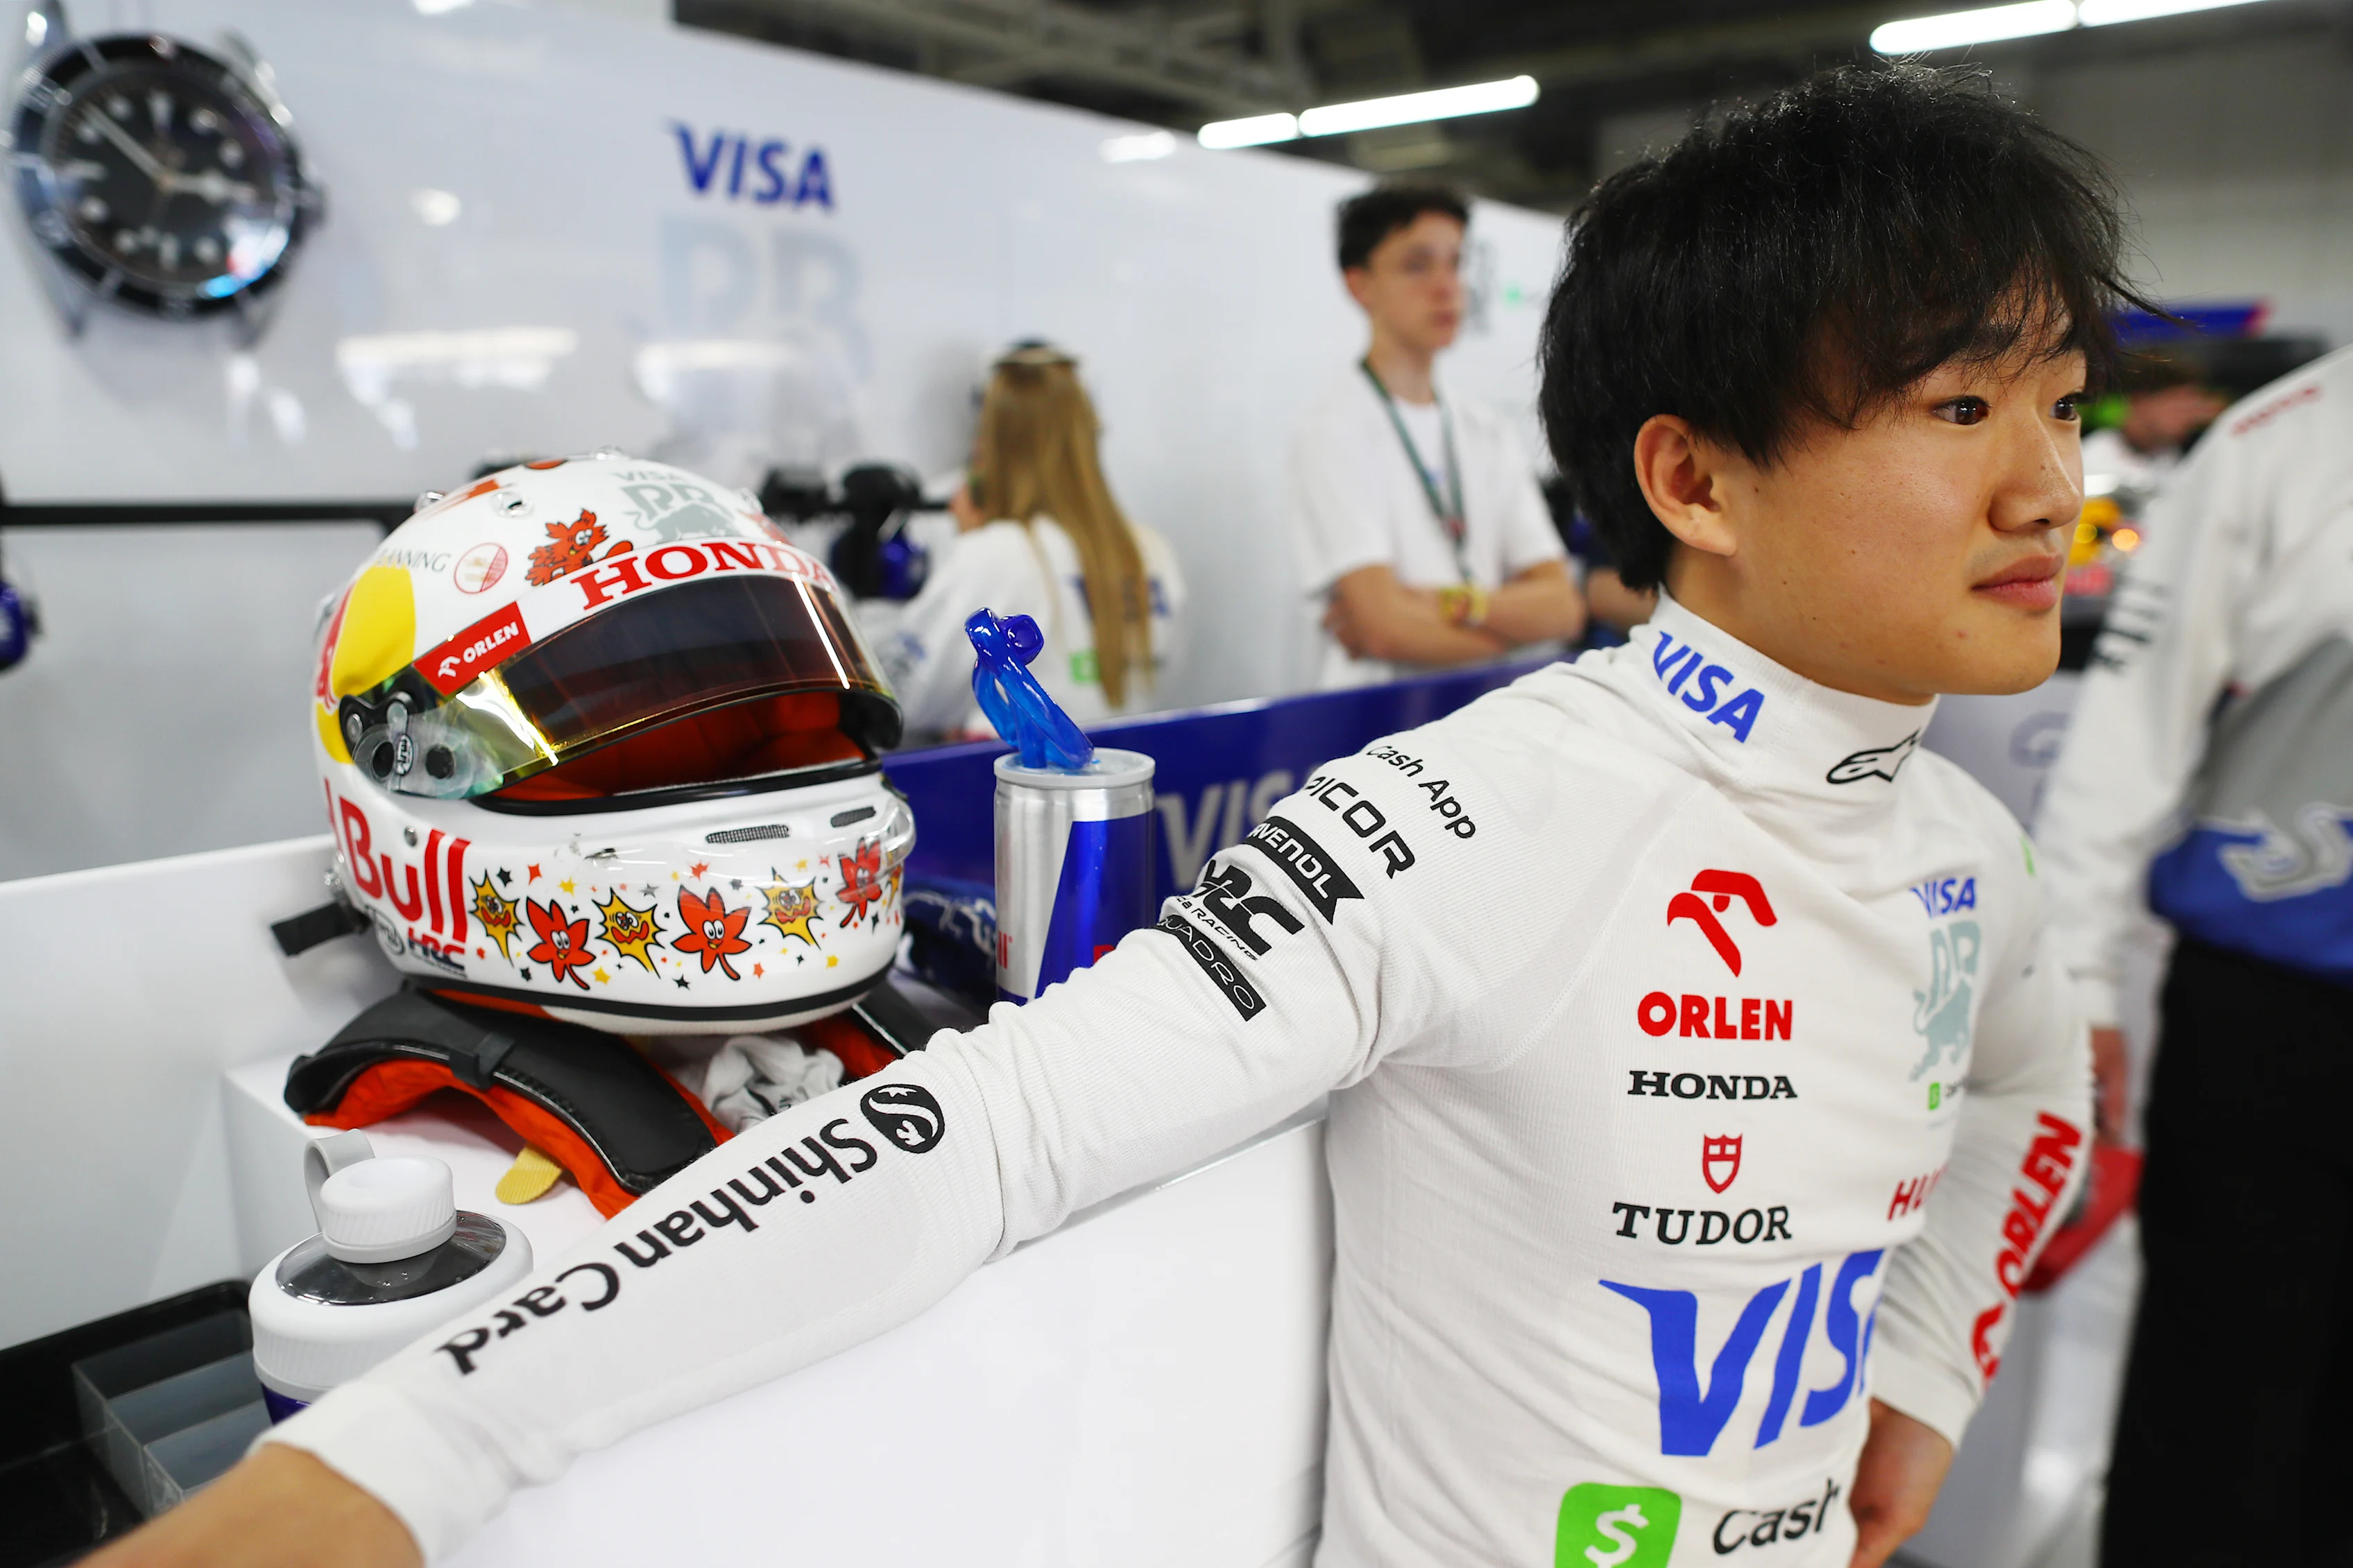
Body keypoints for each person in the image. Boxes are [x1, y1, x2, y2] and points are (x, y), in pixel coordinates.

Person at [96, 64, 2114, 1568]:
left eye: (2058, 405)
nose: (2044, 486)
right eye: (1958, 409)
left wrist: (1924, 1363)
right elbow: (990, 1123)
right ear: (1690, 476)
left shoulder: (1964, 853)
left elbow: (2032, 1078)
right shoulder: (1483, 812)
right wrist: (402, 1452)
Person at [2036, 349, 2353, 1566]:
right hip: (2277, 1021)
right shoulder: (2289, 440)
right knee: (2218, 1410)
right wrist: (2077, 979)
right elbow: (2127, 728)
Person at [1288, 180, 1586, 688]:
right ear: (1360, 286)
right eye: (1417, 264)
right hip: (1375, 723)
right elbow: (1384, 630)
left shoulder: (1483, 428)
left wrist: (1444, 603)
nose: (1446, 285)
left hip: (1481, 716)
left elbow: (1562, 609)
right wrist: (1509, 631)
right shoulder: (1334, 428)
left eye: (1455, 263)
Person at [878, 345, 1185, 742]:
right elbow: (1163, 681)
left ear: (994, 443)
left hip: (1013, 791)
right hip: (1124, 780)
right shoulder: (1154, 551)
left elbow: (900, 699)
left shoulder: (994, 555)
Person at [2076, 349, 2224, 501]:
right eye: (2179, 408)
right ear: (2141, 402)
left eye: (2191, 408)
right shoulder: (2088, 461)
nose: (2188, 418)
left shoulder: (2175, 458)